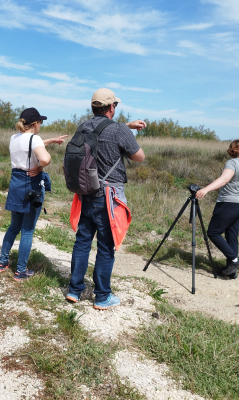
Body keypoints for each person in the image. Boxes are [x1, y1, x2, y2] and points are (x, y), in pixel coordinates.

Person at [66, 88, 146, 310]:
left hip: (84, 194)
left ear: (93, 107)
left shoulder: (83, 127)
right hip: (108, 198)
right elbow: (139, 156)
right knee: (105, 246)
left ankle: (74, 290)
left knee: (82, 242)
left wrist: (126, 127)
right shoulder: (119, 130)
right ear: (111, 107)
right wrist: (127, 131)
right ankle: (102, 296)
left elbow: (99, 134)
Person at [0, 108, 67, 281]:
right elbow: (45, 159)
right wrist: (39, 167)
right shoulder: (34, 139)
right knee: (27, 230)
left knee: (14, 226)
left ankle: (2, 261)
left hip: (16, 183)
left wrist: (50, 140)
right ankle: (20, 271)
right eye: (40, 122)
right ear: (35, 124)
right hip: (30, 185)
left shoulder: (14, 138)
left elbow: (31, 145)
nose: (41, 125)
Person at [196, 140, 239, 278]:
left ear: (230, 151)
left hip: (229, 203)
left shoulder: (232, 163)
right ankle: (231, 271)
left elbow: (224, 179)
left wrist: (206, 189)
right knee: (231, 236)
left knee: (213, 232)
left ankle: (234, 261)